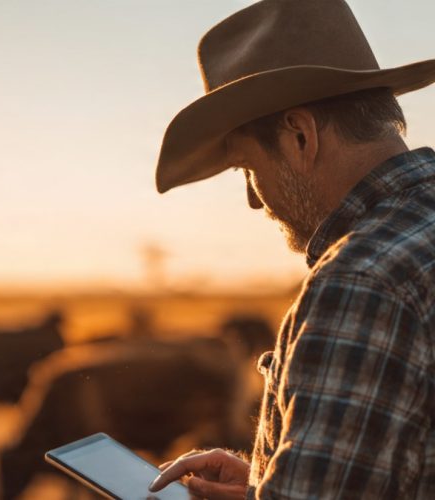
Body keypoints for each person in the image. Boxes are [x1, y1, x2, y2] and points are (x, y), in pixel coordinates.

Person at [146, 0, 435, 498]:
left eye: (248, 169)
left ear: (300, 136)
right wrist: (267, 485)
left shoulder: (363, 278)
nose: (255, 200)